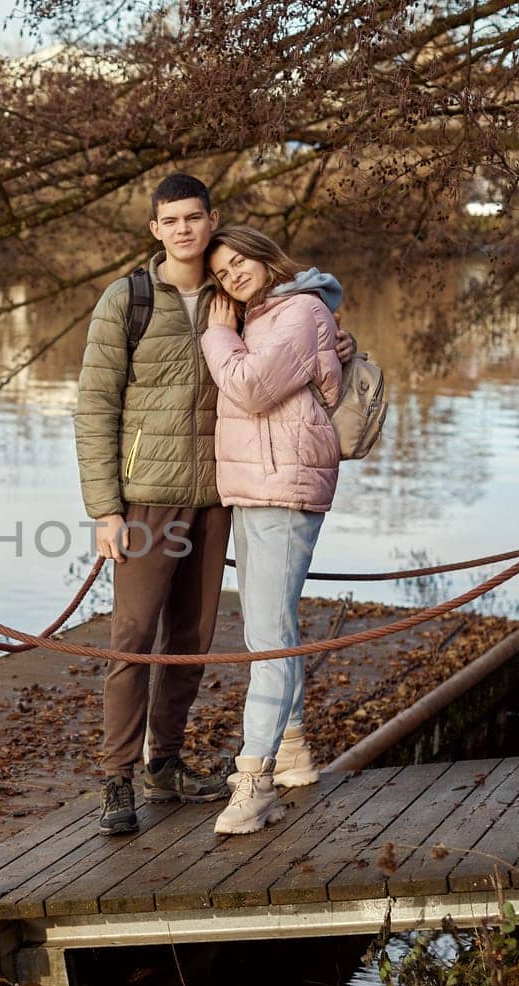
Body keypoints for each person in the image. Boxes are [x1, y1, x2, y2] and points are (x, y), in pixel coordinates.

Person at [74, 174, 234, 835]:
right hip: (146, 503)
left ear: (210, 218)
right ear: (156, 229)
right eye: (171, 221)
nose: (184, 230)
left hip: (217, 497)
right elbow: (94, 405)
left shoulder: (236, 292)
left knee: (191, 641)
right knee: (132, 640)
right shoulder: (129, 299)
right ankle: (116, 778)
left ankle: (163, 764)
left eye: (194, 218)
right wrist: (104, 510)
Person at [199, 225, 347, 835]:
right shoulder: (266, 316)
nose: (233, 275)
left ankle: (254, 780)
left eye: (240, 262)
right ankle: (291, 751)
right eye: (222, 271)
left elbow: (251, 388)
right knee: (272, 628)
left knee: (269, 641)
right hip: (260, 485)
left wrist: (215, 330)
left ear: (265, 256)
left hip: (283, 488)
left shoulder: (301, 309)